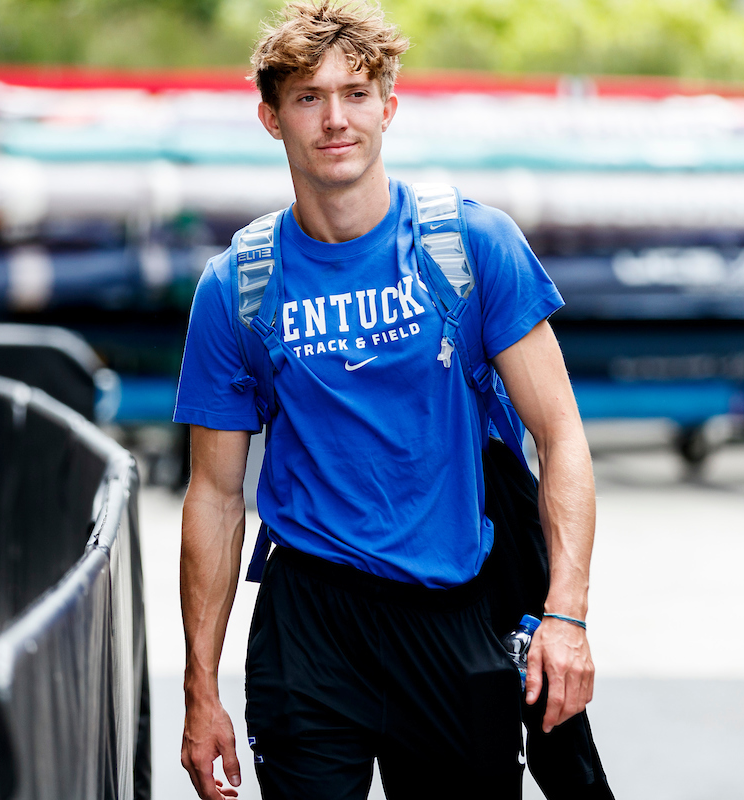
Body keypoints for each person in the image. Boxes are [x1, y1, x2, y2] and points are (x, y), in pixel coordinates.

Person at [175, 2, 596, 798]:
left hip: (451, 610)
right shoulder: (237, 285)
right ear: (271, 117)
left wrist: (566, 618)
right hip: (310, 624)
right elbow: (216, 496)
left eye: (356, 94)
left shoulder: (471, 245)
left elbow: (562, 435)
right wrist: (201, 691)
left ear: (388, 108)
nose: (335, 119)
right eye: (307, 97)